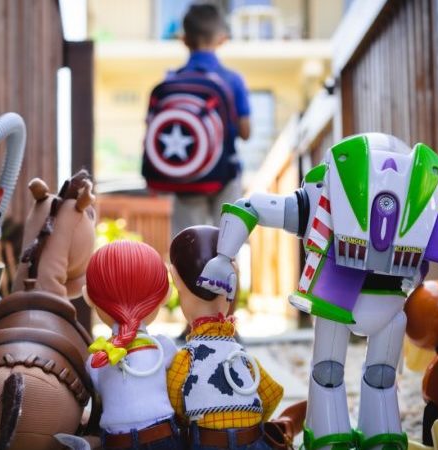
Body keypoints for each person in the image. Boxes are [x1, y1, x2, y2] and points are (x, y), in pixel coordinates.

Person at [167, 226, 283, 449]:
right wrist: (253, 420)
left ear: (176, 282)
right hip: (251, 441)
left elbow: (174, 405)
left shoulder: (185, 360)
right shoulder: (241, 357)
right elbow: (273, 394)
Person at [83, 241, 181, 449]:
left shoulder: (96, 360)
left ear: (89, 298)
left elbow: (101, 390)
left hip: (116, 441)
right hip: (162, 436)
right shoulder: (164, 347)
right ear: (165, 295)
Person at [169, 2, 251, 238]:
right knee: (227, 245)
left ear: (184, 39)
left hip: (186, 175)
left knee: (188, 244)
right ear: (222, 39)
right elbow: (245, 133)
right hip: (225, 174)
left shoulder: (172, 80)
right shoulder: (233, 80)